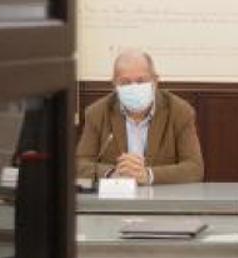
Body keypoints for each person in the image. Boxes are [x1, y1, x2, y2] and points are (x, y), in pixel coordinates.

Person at [76, 49, 204, 185]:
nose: (134, 87)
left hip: (162, 202)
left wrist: (148, 175)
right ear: (114, 85)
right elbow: (78, 166)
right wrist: (113, 173)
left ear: (155, 81)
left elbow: (194, 169)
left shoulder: (179, 111)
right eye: (125, 82)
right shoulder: (97, 113)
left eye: (141, 81)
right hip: (114, 202)